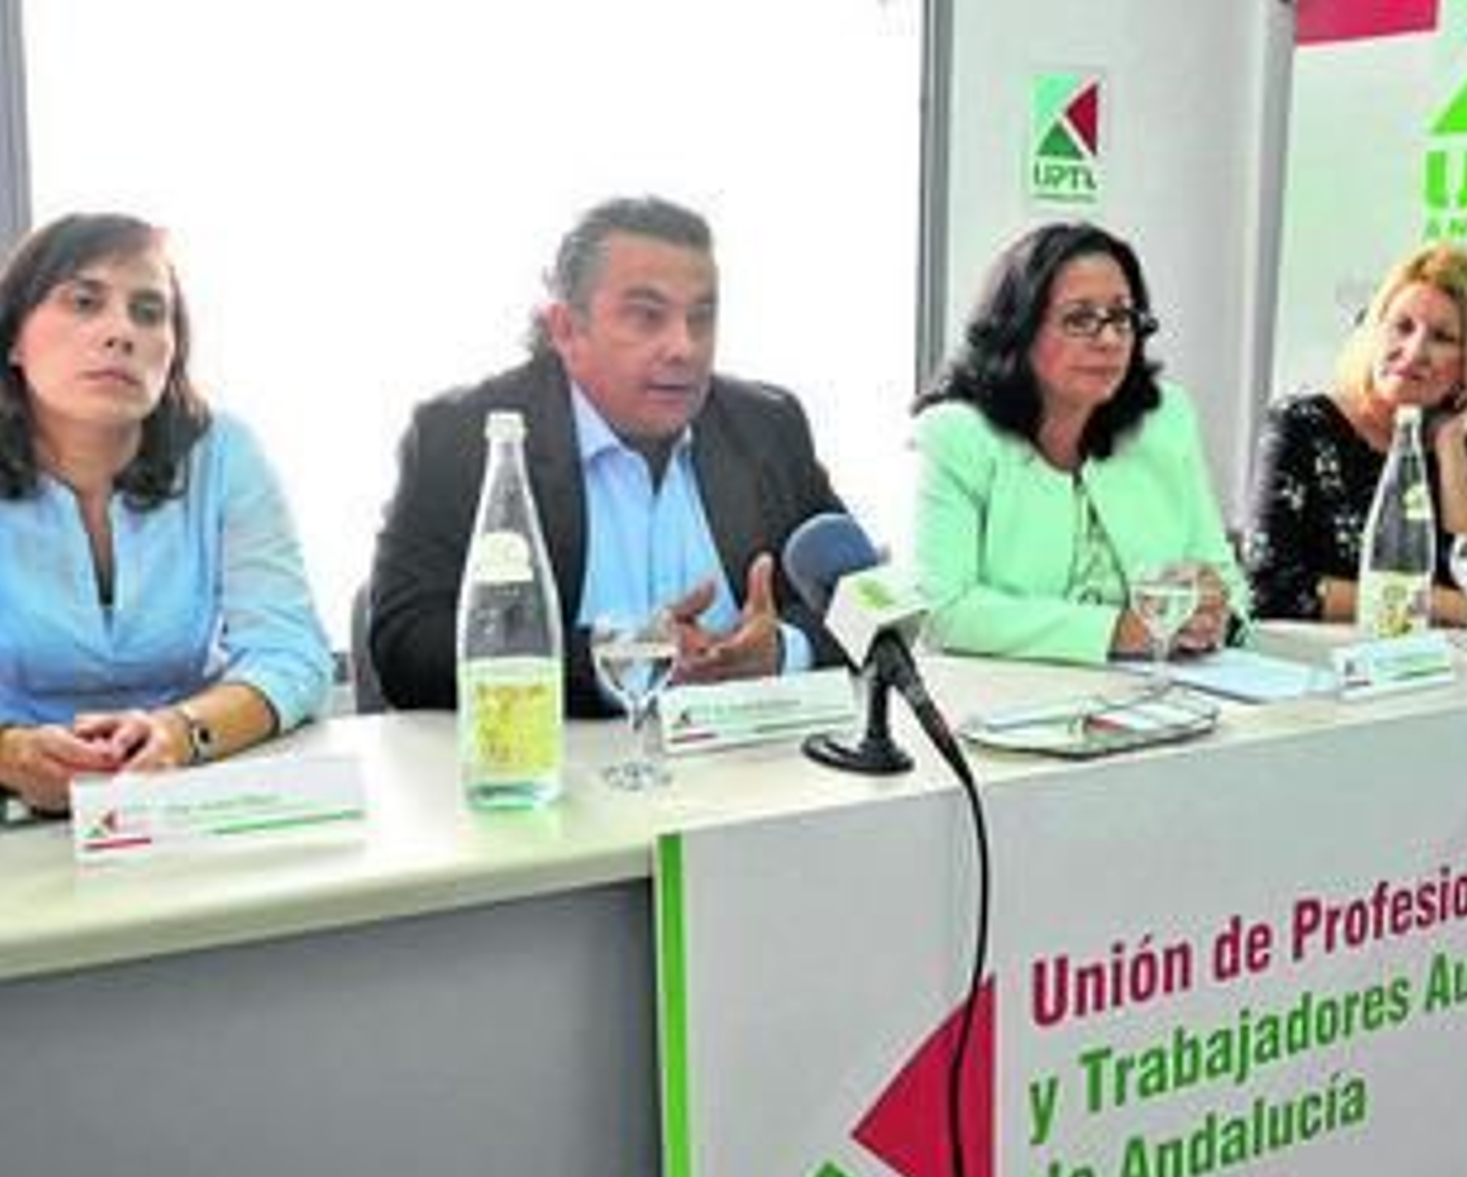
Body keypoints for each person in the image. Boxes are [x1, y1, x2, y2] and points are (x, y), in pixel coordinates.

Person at [368, 195, 846, 716]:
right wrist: (619, 655)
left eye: (702, 318)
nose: (683, 347)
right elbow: (408, 648)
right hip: (554, 771)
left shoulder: (766, 427)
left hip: (748, 773)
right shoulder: (466, 438)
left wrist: (782, 651)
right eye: (647, 317)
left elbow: (865, 599)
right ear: (567, 331)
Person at [0, 213, 331, 813]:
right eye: (83, 302)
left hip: (182, 793)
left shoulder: (224, 453)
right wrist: (11, 754)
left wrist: (182, 732)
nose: (120, 332)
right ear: (14, 339)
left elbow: (292, 653)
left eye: (149, 313)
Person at [912, 221, 1245, 664]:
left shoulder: (1164, 419)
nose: (1109, 339)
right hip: (1005, 706)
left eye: (1122, 317)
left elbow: (1226, 582)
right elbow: (942, 611)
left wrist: (1215, 613)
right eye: (1080, 319)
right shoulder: (954, 436)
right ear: (1019, 330)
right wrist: (1119, 632)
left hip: (1164, 696)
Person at [1244, 243, 1467, 628]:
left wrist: (1450, 443)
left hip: (1436, 669)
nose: (1414, 351)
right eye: (1402, 327)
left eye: (1442, 338)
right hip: (1316, 666)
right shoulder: (1302, 424)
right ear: (1375, 330)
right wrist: (1442, 604)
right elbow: (1269, 588)